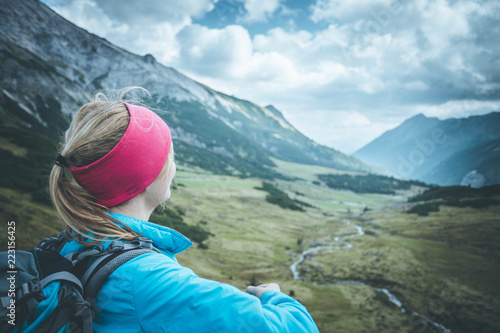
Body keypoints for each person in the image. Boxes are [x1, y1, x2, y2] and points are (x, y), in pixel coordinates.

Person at [49, 88, 320, 332]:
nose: (173, 166)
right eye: (168, 155)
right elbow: (295, 328)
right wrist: (273, 296)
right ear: (146, 175)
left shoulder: (73, 243)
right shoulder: (150, 280)